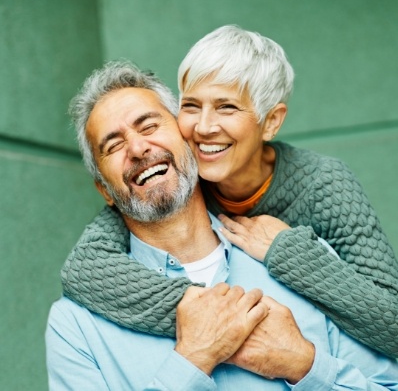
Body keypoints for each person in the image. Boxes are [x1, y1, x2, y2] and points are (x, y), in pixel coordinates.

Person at [46, 60, 398, 390]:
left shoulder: (305, 261)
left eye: (150, 125)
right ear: (104, 190)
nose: (138, 148)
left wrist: (305, 365)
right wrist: (193, 359)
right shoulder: (74, 326)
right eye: (114, 144)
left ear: (190, 140)